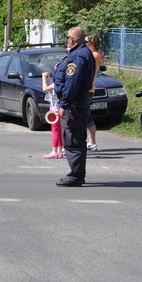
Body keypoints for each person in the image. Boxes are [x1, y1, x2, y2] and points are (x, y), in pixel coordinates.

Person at [53, 27, 96, 187]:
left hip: (74, 104)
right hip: (78, 102)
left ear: (72, 39)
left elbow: (72, 83)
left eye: (67, 38)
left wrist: (64, 104)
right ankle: (77, 174)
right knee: (76, 138)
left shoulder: (78, 56)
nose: (66, 40)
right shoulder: (81, 53)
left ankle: (76, 176)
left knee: (73, 139)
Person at [85, 32, 104, 151]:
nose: (84, 44)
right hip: (89, 87)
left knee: (87, 115)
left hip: (88, 88)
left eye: (86, 42)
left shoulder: (94, 55)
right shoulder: (92, 54)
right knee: (86, 115)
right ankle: (90, 142)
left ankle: (92, 142)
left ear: (93, 43)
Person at [41, 71, 63, 159]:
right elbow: (53, 86)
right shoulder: (60, 84)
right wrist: (49, 78)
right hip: (59, 109)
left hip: (55, 111)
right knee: (59, 132)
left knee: (55, 132)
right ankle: (60, 151)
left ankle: (54, 151)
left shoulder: (56, 85)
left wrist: (43, 79)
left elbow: (45, 89)